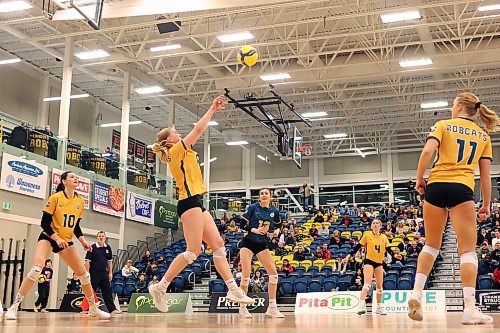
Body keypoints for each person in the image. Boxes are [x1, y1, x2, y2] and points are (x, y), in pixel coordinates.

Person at [150, 95, 253, 312]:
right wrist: (212, 109)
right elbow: (198, 130)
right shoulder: (176, 150)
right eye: (176, 132)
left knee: (218, 247)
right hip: (188, 203)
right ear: (170, 140)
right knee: (192, 252)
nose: (179, 134)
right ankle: (161, 287)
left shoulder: (182, 151)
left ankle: (233, 289)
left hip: (197, 201)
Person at [407, 92, 497, 325]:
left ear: (458, 107)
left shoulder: (443, 125)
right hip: (462, 189)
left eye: (452, 105)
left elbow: (427, 152)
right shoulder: (483, 136)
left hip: (436, 186)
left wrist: (419, 179)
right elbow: (485, 177)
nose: (450, 109)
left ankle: (416, 292)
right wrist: (486, 204)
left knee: (431, 245)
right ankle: (469, 308)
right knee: (467, 250)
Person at [5, 171, 109, 320]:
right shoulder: (55, 198)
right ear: (64, 181)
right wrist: (57, 238)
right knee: (36, 269)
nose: (76, 179)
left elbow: (76, 227)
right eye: (72, 177)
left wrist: (83, 241)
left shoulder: (80, 202)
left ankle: (93, 308)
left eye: (77, 177)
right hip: (49, 237)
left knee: (84, 275)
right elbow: (44, 224)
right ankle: (14, 307)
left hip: (66, 240)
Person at [238, 188, 284, 318]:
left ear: (270, 197)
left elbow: (279, 226)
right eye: (261, 194)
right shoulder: (253, 207)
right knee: (246, 275)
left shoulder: (274, 211)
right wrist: (254, 230)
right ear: (259, 197)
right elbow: (241, 224)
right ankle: (242, 308)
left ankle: (272, 307)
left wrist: (277, 232)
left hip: (262, 244)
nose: (264, 195)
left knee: (274, 274)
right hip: (248, 242)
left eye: (266, 194)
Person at [343, 219, 393, 315]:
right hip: (368, 261)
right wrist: (348, 257)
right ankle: (361, 306)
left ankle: (379, 308)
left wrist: (396, 256)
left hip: (379, 263)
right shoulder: (367, 235)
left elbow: (389, 250)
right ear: (371, 226)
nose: (375, 224)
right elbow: (356, 247)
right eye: (373, 223)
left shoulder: (384, 237)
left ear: (380, 226)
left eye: (377, 223)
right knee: (367, 285)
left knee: (379, 288)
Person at [85, 231, 120, 315]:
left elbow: (110, 262)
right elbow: (87, 261)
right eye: (99, 236)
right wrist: (87, 273)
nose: (101, 237)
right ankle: (86, 309)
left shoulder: (108, 248)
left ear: (105, 238)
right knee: (90, 291)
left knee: (107, 291)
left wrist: (110, 273)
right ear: (97, 238)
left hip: (104, 273)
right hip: (94, 273)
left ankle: (112, 309)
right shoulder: (92, 247)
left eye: (102, 236)